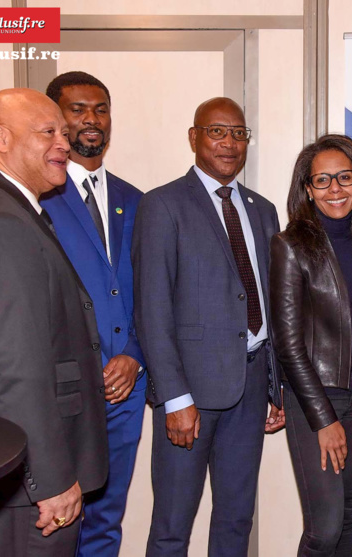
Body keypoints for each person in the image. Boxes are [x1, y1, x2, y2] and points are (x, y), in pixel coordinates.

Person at [0, 88, 108, 556]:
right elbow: (17, 369)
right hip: (21, 494)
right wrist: (51, 480)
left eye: (64, 131)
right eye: (48, 131)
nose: (65, 142)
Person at [133, 96, 284, 557]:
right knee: (173, 524)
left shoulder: (263, 209)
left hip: (252, 382)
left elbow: (270, 302)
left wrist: (275, 386)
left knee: (237, 519)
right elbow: (151, 310)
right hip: (190, 394)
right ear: (194, 138)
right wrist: (175, 397)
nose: (230, 143)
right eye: (218, 131)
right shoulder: (162, 205)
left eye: (239, 133)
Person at [41, 71, 145, 557]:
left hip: (126, 389)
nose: (90, 119)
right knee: (61, 519)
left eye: (100, 109)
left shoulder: (137, 201)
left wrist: (135, 355)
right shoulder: (39, 200)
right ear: (54, 119)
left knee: (108, 515)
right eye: (77, 109)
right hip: (64, 393)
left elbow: (154, 294)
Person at [270, 135, 352, 556]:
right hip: (316, 402)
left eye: (344, 178)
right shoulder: (291, 245)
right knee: (324, 527)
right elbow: (288, 344)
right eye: (322, 180)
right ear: (307, 188)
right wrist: (323, 419)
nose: (335, 189)